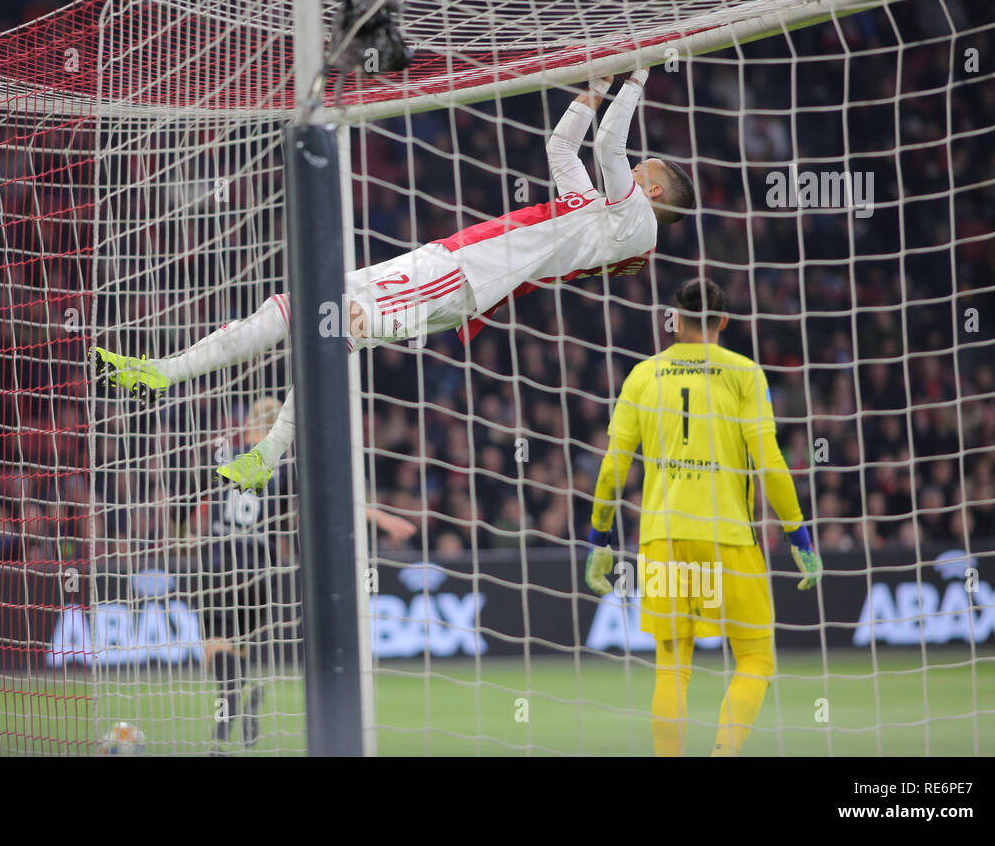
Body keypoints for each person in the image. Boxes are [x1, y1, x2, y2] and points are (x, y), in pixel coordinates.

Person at [96, 68, 693, 490]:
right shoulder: (599, 214)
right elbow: (565, 146)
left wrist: (635, 76)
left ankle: (254, 441)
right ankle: (177, 385)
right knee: (303, 311)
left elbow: (611, 145)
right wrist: (592, 89)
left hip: (466, 275)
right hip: (448, 263)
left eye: (648, 169)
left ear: (655, 191)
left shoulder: (637, 224)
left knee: (337, 326)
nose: (638, 166)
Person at [584, 277, 822, 756]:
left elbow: (613, 467)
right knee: (755, 659)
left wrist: (598, 540)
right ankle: (723, 752)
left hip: (663, 540)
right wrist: (799, 537)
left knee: (672, 665)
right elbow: (770, 463)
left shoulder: (642, 375)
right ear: (725, 322)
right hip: (729, 539)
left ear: (675, 318)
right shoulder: (744, 374)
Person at [194, 396, 416, 752]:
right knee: (241, 651)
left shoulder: (222, 456)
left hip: (220, 565)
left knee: (216, 654)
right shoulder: (284, 468)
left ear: (248, 422)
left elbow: (192, 507)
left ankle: (224, 730)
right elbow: (333, 501)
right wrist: (384, 519)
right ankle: (240, 707)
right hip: (258, 572)